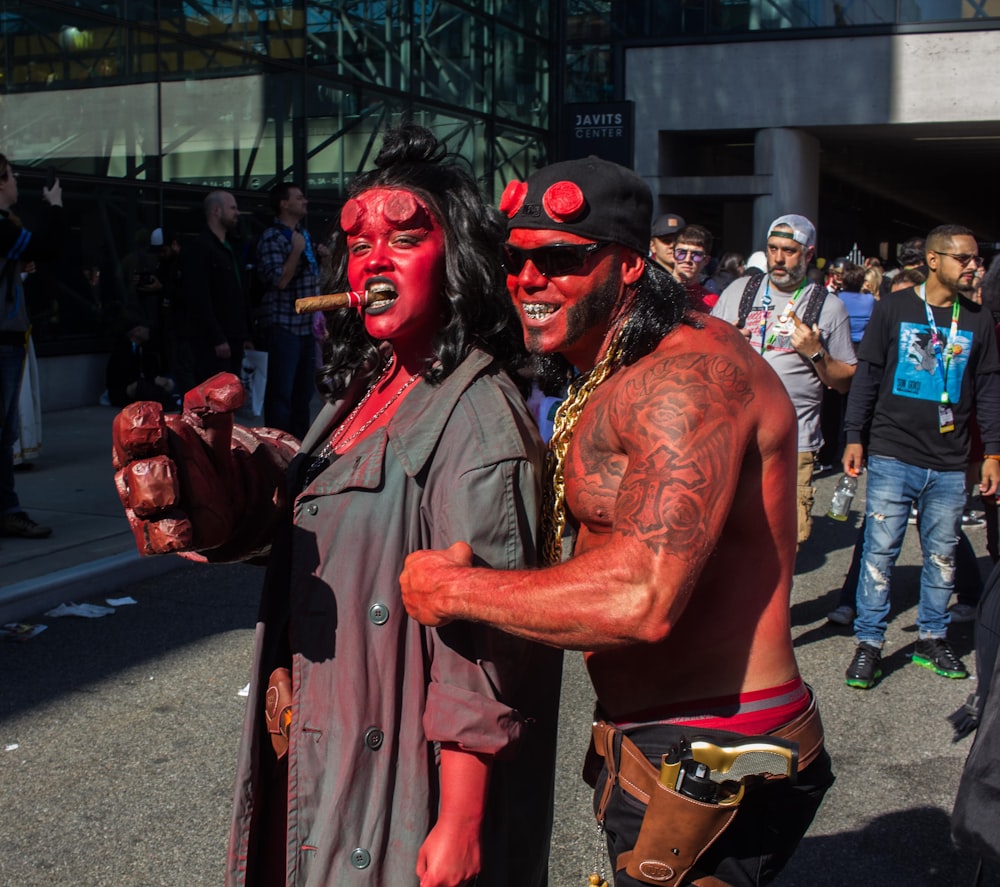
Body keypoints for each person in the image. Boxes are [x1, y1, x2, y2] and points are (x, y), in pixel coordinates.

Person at [111, 125, 561, 887]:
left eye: (406, 239)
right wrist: (225, 477)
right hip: (329, 746)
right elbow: (325, 511)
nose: (374, 259)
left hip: (403, 792)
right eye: (359, 246)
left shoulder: (479, 417)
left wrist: (459, 821)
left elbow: (485, 650)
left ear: (459, 260)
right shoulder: (366, 387)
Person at [400, 156, 833, 886]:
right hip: (663, 741)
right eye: (516, 259)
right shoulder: (614, 363)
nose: (529, 280)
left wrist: (454, 591)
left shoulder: (683, 380)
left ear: (628, 268)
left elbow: (641, 598)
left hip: (713, 750)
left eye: (561, 259)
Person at [841, 225, 1000, 689]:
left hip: (950, 461)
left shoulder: (977, 319)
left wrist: (992, 451)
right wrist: (854, 435)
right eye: (963, 258)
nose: (973, 266)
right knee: (880, 552)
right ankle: (869, 642)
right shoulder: (894, 308)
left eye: (975, 259)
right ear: (934, 260)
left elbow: (989, 390)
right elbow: (867, 375)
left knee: (943, 556)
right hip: (893, 451)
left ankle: (932, 636)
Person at [711, 214, 857, 545]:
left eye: (789, 250)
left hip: (792, 444)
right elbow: (702, 357)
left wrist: (815, 352)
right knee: (728, 535)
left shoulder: (829, 307)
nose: (778, 258)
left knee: (783, 541)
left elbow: (845, 381)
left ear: (808, 254)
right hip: (735, 435)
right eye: (773, 248)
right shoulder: (739, 291)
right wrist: (724, 342)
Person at [0, 152, 65, 539]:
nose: (15, 183)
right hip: (2, 341)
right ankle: (7, 509)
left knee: (5, 435)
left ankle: (7, 509)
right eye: (10, 176)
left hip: (8, 338)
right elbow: (48, 246)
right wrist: (55, 206)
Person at [256, 181, 322, 439]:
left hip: (307, 328)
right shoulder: (273, 237)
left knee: (303, 395)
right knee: (281, 395)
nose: (304, 201)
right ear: (284, 204)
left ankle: (299, 448)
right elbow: (278, 280)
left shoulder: (303, 235)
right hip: (284, 326)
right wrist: (296, 251)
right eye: (299, 197)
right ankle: (277, 446)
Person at [176, 191, 252, 394]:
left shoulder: (229, 248)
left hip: (233, 335)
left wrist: (244, 334)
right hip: (214, 341)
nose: (237, 213)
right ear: (216, 211)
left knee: (230, 395)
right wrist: (217, 337)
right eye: (232, 208)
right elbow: (199, 297)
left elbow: (238, 293)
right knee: (214, 396)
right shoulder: (201, 249)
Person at [105, 321, 177, 410]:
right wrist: (152, 380)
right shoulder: (123, 349)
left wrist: (157, 379)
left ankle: (169, 403)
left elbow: (150, 370)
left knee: (168, 383)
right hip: (123, 388)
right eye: (145, 329)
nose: (148, 331)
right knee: (141, 387)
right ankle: (166, 405)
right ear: (137, 331)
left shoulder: (143, 349)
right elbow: (127, 375)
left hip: (143, 382)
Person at [670, 223, 717, 312]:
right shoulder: (657, 292)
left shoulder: (713, 302)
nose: (687, 260)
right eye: (682, 253)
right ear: (673, 255)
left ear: (706, 260)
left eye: (696, 255)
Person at [648, 211, 685, 276]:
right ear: (652, 246)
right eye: (666, 241)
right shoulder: (643, 277)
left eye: (678, 241)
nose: (673, 245)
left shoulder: (700, 282)